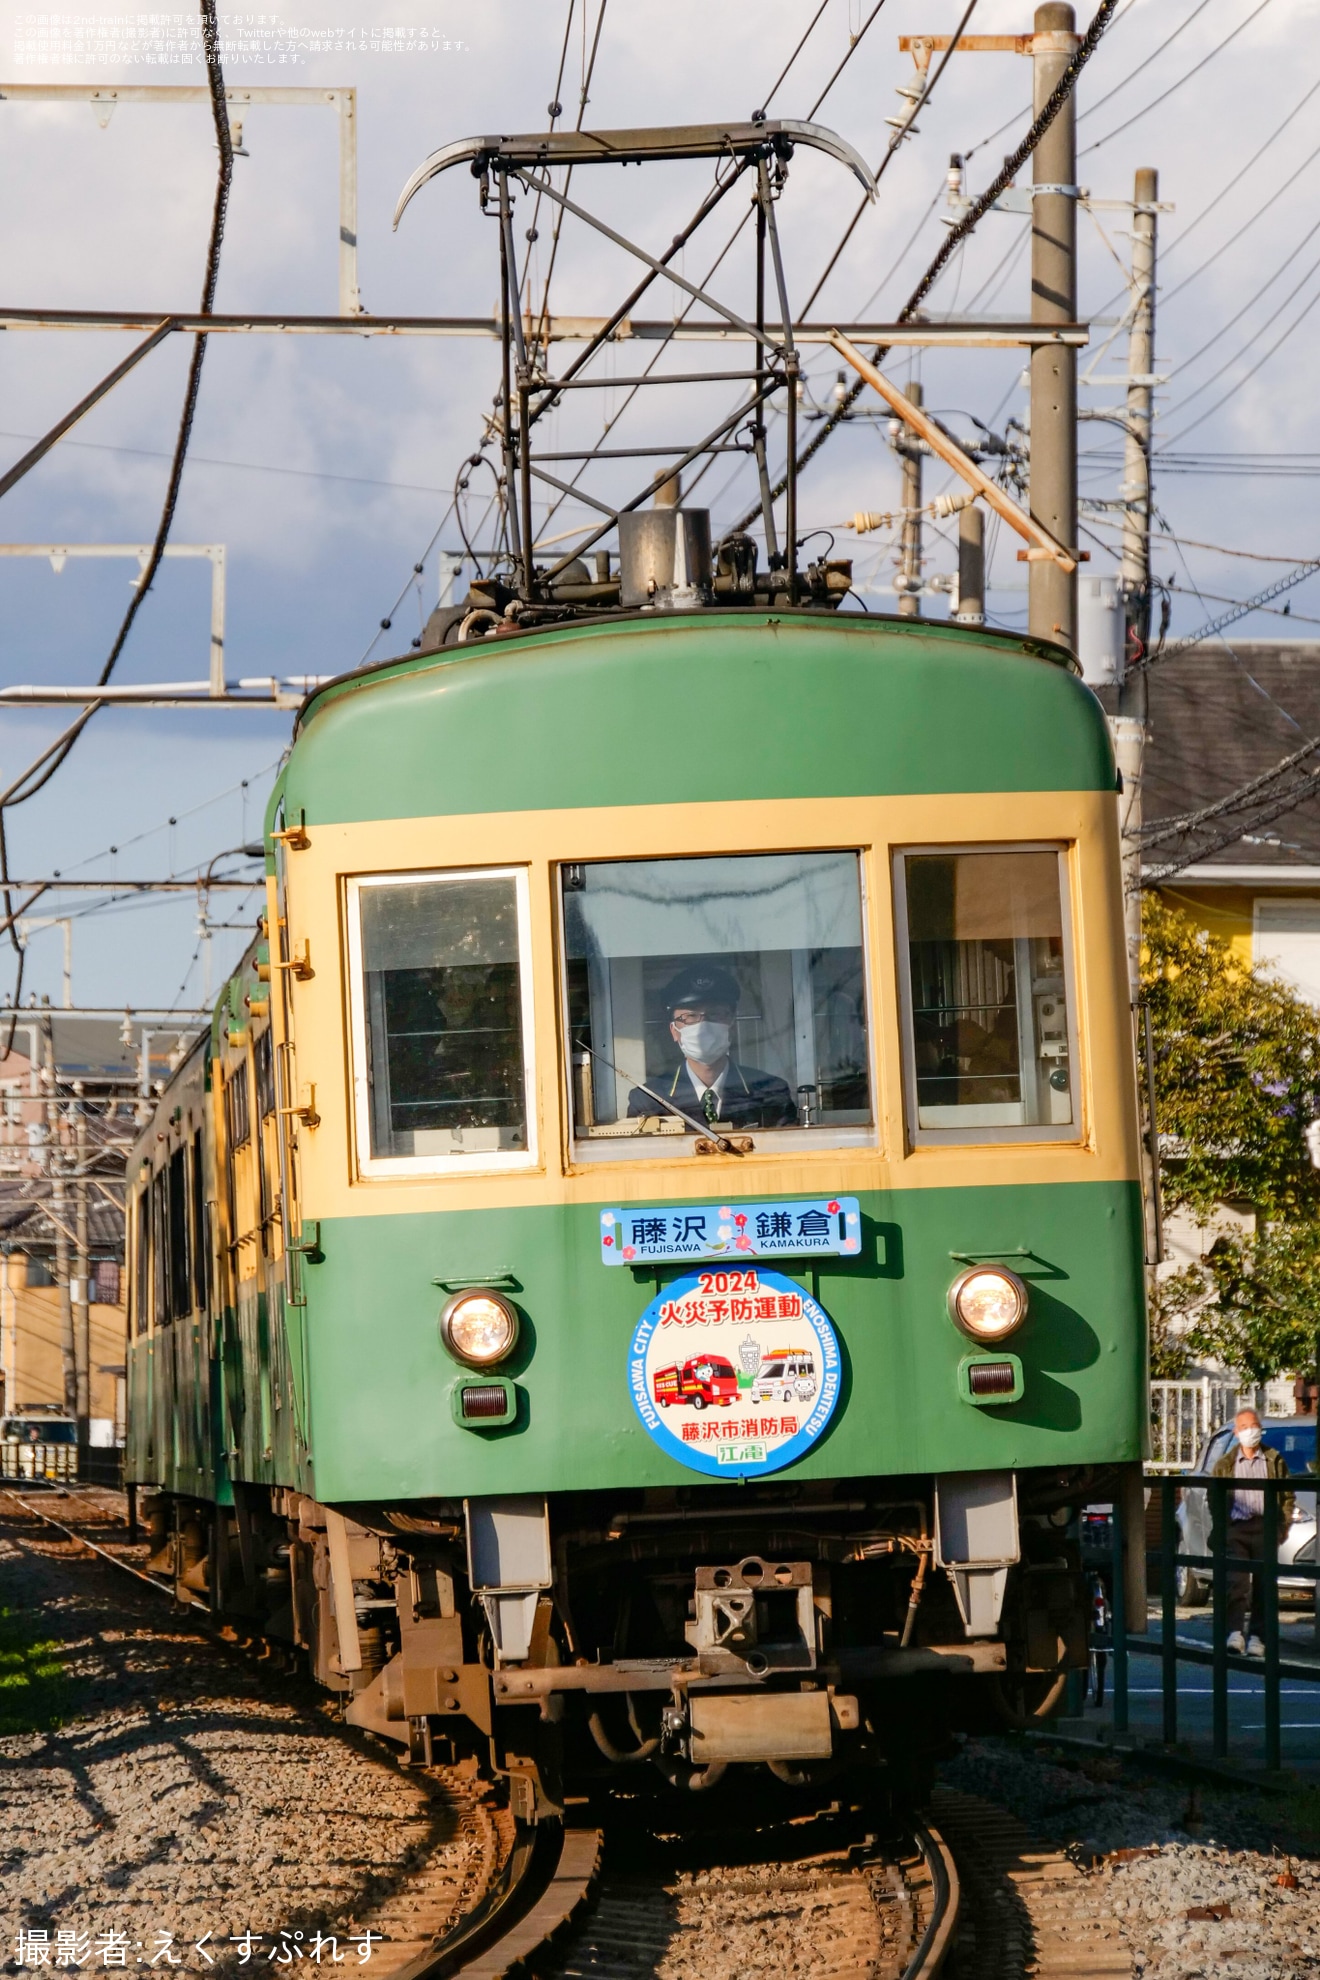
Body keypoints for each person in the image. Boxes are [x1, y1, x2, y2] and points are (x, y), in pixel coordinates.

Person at [627, 963, 796, 1130]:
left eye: (715, 1014)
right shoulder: (649, 1100)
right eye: (690, 1016)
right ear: (674, 1031)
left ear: (732, 1025)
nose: (703, 1026)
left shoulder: (771, 1093)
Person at [1212, 1408, 1294, 1656]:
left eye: (1254, 1425)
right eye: (1245, 1427)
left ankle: (1258, 1636)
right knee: (1236, 1583)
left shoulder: (1273, 1458)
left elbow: (1287, 1496)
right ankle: (1234, 1633)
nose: (1251, 1431)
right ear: (1237, 1433)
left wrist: (1282, 1527)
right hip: (1236, 1529)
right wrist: (1223, 1528)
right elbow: (1214, 1497)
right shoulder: (1226, 1464)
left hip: (1265, 1528)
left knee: (1264, 1585)